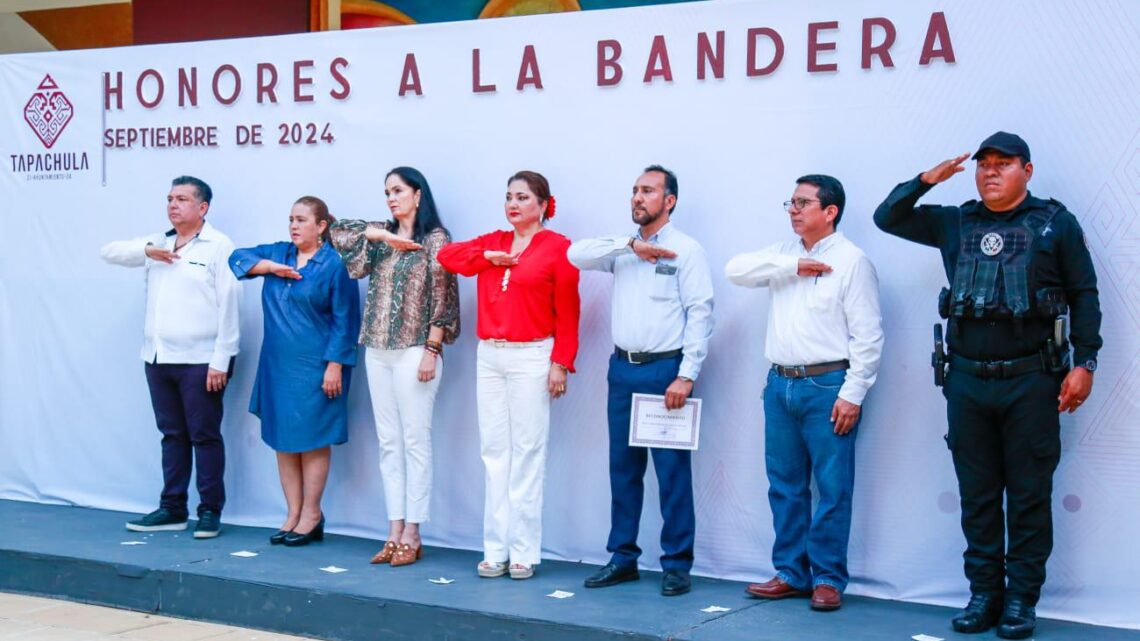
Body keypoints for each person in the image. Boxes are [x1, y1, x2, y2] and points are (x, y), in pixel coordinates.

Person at [874, 132, 1102, 639]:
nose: (991, 173)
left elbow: (1085, 295)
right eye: (984, 165)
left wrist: (1085, 362)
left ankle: (1021, 600)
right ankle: (984, 596)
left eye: (1003, 164)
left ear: (1028, 170)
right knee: (977, 496)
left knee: (1027, 495)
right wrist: (925, 181)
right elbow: (886, 217)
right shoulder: (957, 221)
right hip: (968, 382)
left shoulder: (1054, 224)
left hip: (1032, 382)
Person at [726, 174, 883, 612]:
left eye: (803, 203)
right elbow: (734, 270)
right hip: (779, 384)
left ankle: (829, 578)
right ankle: (792, 573)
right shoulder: (783, 254)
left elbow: (868, 337)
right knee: (785, 485)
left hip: (827, 384)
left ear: (830, 211)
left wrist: (853, 394)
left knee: (833, 487)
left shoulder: (852, 261)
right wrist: (792, 267)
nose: (793, 210)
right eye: (790, 203)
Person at [568, 165, 714, 597]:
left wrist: (686, 375)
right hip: (622, 369)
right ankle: (623, 558)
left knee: (671, 473)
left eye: (648, 191)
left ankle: (676, 564)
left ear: (669, 200)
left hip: (665, 372)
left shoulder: (687, 250)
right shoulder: (622, 249)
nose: (638, 198)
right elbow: (576, 255)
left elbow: (701, 314)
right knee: (623, 469)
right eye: (634, 190)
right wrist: (631, 245)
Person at [437, 170, 579, 580]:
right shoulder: (494, 242)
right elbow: (448, 256)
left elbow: (568, 312)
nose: (513, 204)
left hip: (533, 355)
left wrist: (560, 363)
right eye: (508, 197)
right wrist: (487, 259)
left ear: (542, 204)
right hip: (490, 356)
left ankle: (523, 551)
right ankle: (495, 548)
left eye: (522, 197)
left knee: (528, 451)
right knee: (494, 451)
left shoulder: (558, 248)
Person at [329, 167, 460, 567]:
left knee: (414, 440)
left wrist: (432, 350)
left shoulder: (435, 241)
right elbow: (337, 233)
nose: (391, 198)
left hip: (415, 349)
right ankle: (393, 528)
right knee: (389, 442)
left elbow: (445, 297)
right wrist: (382, 235)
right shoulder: (381, 238)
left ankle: (413, 532)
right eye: (386, 191)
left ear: (418, 195)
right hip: (377, 348)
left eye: (398, 190)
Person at [100, 176, 239, 539]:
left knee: (204, 435)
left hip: (201, 360)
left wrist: (221, 359)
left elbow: (230, 306)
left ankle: (209, 510)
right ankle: (173, 508)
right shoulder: (159, 242)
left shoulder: (218, 246)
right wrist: (148, 251)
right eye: (170, 199)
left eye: (182, 199)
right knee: (172, 435)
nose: (173, 205)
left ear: (202, 207)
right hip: (158, 358)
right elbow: (109, 251)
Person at [228, 196, 360, 547]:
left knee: (313, 440)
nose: (294, 226)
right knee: (283, 440)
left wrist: (335, 365)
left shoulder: (335, 264)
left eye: (302, 220)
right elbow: (236, 257)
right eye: (291, 219)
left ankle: (312, 514)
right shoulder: (280, 253)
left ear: (321, 226)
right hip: (277, 365)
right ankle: (292, 512)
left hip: (316, 366)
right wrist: (270, 268)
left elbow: (346, 320)